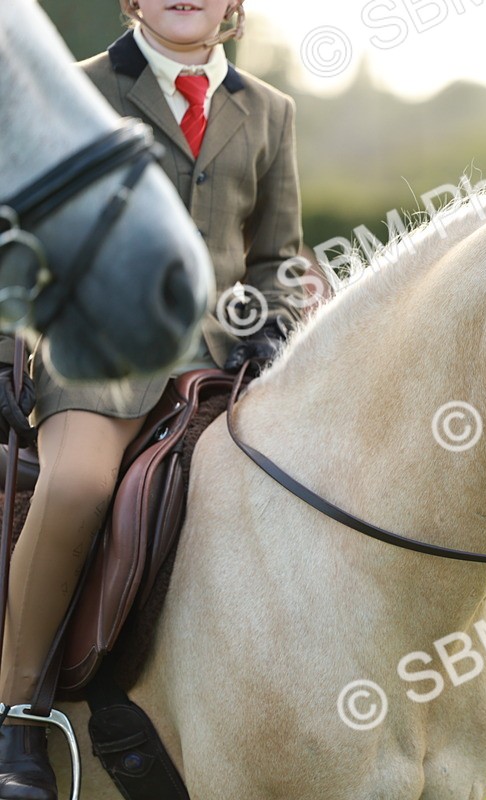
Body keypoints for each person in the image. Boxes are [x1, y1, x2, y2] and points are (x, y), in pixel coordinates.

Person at [0, 2, 304, 796]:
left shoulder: (270, 110)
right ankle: (17, 719)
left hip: (228, 360)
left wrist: (274, 326)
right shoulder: (74, 87)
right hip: (98, 352)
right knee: (77, 487)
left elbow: (277, 256)